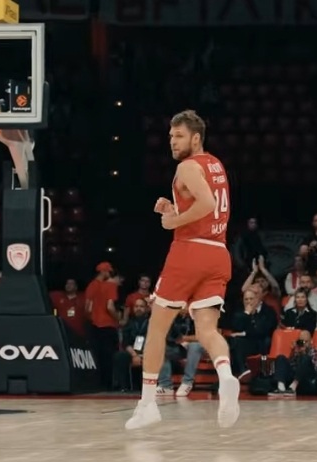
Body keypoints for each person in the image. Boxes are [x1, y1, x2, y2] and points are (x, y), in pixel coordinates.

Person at [126, 110, 239, 430]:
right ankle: (226, 376)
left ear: (196, 137)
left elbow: (206, 204)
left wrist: (173, 221)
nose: (172, 142)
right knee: (207, 330)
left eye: (179, 136)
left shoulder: (187, 166)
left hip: (190, 251)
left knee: (156, 329)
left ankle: (148, 404)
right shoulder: (215, 164)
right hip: (218, 252)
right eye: (170, 136)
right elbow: (205, 206)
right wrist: (174, 207)